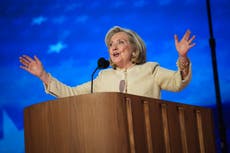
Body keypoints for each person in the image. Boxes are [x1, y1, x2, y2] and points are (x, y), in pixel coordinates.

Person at [19, 26, 195, 99]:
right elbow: (72, 93)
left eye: (120, 42)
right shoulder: (103, 76)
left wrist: (182, 57)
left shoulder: (151, 69)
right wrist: (44, 76)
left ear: (134, 49)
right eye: (111, 44)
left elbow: (177, 82)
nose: (114, 47)